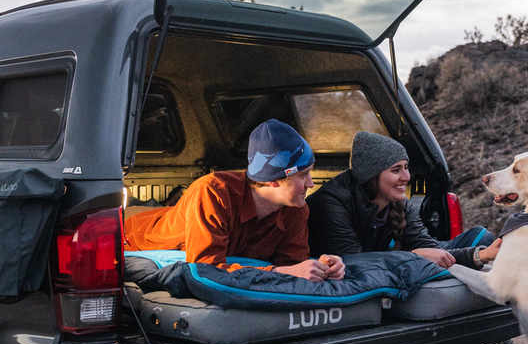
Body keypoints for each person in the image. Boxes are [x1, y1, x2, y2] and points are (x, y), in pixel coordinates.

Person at [125, 119, 344, 282]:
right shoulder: (212, 191)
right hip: (132, 235)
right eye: (303, 175)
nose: (311, 184)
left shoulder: (296, 208)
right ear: (273, 181)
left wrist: (323, 267)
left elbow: (294, 266)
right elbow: (205, 268)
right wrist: (278, 272)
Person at [307, 131, 501, 269]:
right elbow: (353, 261)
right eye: (396, 170)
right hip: (341, 278)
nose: (406, 177)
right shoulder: (331, 202)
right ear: (371, 175)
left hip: (381, 265)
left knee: (481, 236)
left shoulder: (398, 203)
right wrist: (414, 256)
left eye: (406, 167)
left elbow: (428, 247)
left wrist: (479, 255)